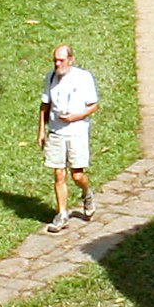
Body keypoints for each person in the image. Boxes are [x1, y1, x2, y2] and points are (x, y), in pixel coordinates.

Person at [38, 41, 100, 225]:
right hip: (56, 131)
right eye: (55, 60)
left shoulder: (84, 78)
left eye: (61, 60)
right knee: (58, 173)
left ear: (71, 60)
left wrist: (75, 117)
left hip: (77, 132)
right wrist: (41, 130)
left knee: (77, 175)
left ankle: (87, 193)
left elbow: (94, 106)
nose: (58, 64)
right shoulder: (50, 77)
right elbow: (44, 106)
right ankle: (62, 214)